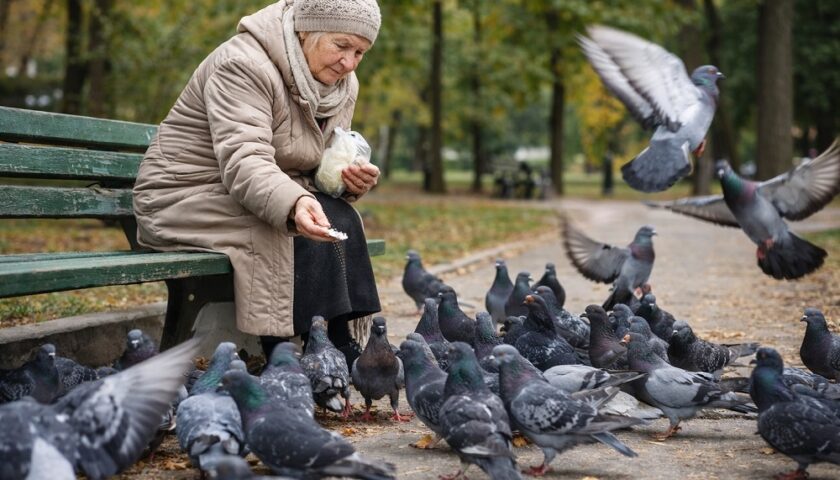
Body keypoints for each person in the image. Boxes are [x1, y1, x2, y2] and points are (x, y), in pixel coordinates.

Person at [132, 0, 383, 367]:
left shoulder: (342, 84)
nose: (350, 62)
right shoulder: (243, 64)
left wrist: (348, 181)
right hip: (181, 194)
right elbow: (244, 160)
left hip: (248, 190)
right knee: (280, 225)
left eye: (360, 52)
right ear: (305, 30)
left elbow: (323, 161)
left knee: (339, 218)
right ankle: (283, 355)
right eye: (341, 45)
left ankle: (340, 348)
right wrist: (295, 201)